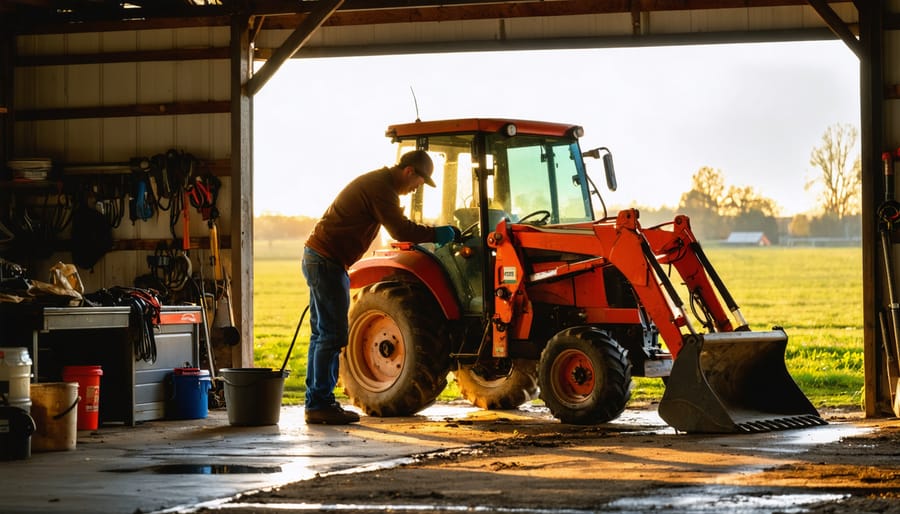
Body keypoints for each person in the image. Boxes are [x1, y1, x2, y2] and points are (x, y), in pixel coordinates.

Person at [302, 149, 460, 425]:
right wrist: (437, 233)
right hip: (326, 261)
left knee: (324, 334)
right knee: (332, 334)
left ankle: (317, 401)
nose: (414, 190)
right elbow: (400, 231)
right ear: (409, 171)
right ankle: (319, 404)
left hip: (324, 260)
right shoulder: (381, 188)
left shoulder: (379, 184)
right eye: (418, 184)